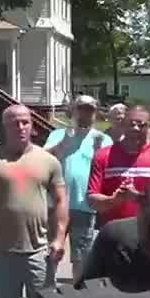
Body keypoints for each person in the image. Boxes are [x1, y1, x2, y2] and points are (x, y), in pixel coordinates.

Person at [0, 105, 68, 298]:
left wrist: (59, 238)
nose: (21, 127)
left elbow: (60, 200)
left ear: (32, 126)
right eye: (14, 123)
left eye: (25, 122)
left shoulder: (48, 161)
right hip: (3, 254)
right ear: (4, 127)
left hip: (39, 253)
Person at [43, 94, 111, 276]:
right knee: (50, 251)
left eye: (90, 110)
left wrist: (99, 151)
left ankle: (78, 295)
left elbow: (108, 171)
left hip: (85, 206)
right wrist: (63, 143)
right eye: (81, 108)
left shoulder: (103, 140)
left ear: (95, 113)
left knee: (82, 256)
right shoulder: (57, 134)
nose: (85, 114)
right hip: (56, 205)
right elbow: (42, 159)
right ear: (73, 110)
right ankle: (45, 293)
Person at [86, 106, 150, 227]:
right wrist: (113, 200)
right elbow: (92, 199)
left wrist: (138, 197)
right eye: (131, 124)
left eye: (141, 125)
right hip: (112, 230)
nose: (135, 128)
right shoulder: (103, 155)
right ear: (123, 125)